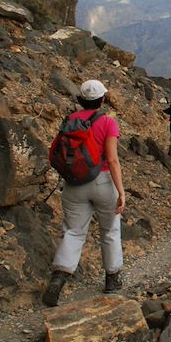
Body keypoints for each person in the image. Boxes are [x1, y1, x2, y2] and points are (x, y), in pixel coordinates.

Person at [43, 80, 126, 306]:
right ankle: (112, 279)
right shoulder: (108, 122)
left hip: (74, 184)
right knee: (110, 230)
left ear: (81, 100)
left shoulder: (69, 121)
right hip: (103, 181)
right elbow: (112, 159)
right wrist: (121, 191)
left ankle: (58, 280)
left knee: (73, 232)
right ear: (102, 100)